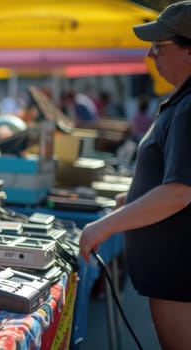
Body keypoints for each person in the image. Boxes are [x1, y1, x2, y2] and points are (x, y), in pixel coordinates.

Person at [79, 2, 191, 349]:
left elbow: (180, 192)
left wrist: (104, 225)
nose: (151, 53)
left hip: (180, 277)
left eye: (159, 45)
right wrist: (135, 203)